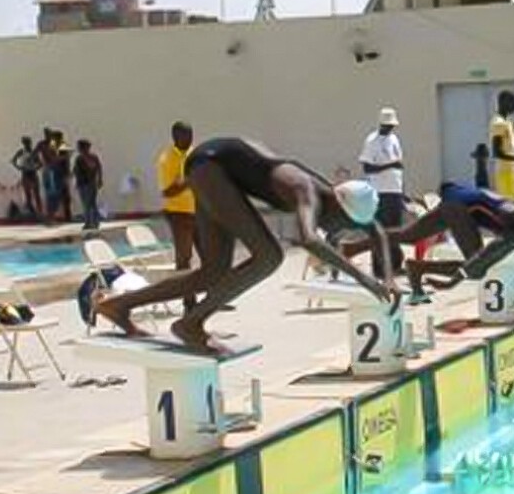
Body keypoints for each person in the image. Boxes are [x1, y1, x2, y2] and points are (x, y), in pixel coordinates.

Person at [94, 137, 396, 353]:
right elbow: (308, 238)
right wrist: (364, 279)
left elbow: (377, 230)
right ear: (339, 208)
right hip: (212, 167)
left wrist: (389, 279)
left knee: (212, 272)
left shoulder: (333, 195)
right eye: (344, 224)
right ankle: (191, 324)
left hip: (212, 166)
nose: (341, 231)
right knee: (269, 256)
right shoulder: (307, 191)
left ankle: (118, 306)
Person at [358, 182, 514, 301]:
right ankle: (418, 268)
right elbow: (483, 258)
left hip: (459, 196)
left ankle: (352, 247)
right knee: (478, 268)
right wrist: (454, 281)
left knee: (410, 236)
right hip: (459, 206)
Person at [158, 121, 199, 309]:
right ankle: (188, 300)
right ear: (175, 137)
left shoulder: (194, 152)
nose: (190, 139)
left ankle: (214, 296)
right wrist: (189, 181)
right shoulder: (167, 159)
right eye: (185, 135)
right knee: (184, 258)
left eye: (191, 135)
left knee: (210, 255)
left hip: (199, 211)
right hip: (178, 213)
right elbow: (167, 192)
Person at [360, 107, 406, 227]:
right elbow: (367, 168)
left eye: (391, 125)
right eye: (387, 125)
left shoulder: (394, 139)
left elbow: (398, 166)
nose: (390, 128)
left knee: (396, 226)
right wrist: (391, 165)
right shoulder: (372, 141)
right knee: (383, 226)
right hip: (380, 191)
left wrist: (402, 190)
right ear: (381, 124)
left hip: (395, 189)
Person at [490, 91, 514, 201]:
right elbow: (497, 152)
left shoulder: (508, 122)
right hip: (505, 173)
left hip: (512, 171)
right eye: (512, 103)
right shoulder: (498, 123)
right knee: (509, 205)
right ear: (503, 103)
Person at [74, 139, 104, 231]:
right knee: (89, 203)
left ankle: (90, 222)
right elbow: (76, 171)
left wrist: (99, 179)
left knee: (89, 203)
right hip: (84, 183)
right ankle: (93, 221)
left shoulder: (86, 158)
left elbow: (98, 168)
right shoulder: (80, 159)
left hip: (88, 183)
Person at [11, 136, 43, 221]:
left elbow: (40, 163)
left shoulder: (33, 152)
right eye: (26, 143)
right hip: (25, 173)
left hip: (32, 173)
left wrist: (35, 168)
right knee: (28, 194)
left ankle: (39, 213)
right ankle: (31, 213)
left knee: (36, 194)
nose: (27, 145)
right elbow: (13, 160)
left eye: (28, 143)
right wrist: (19, 167)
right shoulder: (21, 152)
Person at [46, 129, 74, 222]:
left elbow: (67, 161)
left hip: (63, 174)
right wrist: (63, 157)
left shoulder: (63, 146)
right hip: (55, 173)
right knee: (54, 196)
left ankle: (68, 216)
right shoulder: (52, 147)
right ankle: (51, 216)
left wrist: (68, 171)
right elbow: (52, 159)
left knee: (66, 196)